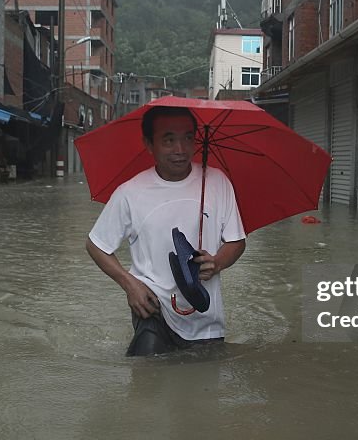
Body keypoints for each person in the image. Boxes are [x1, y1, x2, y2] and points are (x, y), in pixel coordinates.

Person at [85, 106, 247, 356]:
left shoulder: (216, 182)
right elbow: (96, 245)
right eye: (169, 140)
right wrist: (130, 285)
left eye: (187, 138)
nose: (180, 150)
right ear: (149, 144)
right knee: (145, 376)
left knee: (203, 390)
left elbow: (236, 241)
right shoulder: (130, 193)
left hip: (205, 316)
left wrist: (216, 262)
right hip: (153, 307)